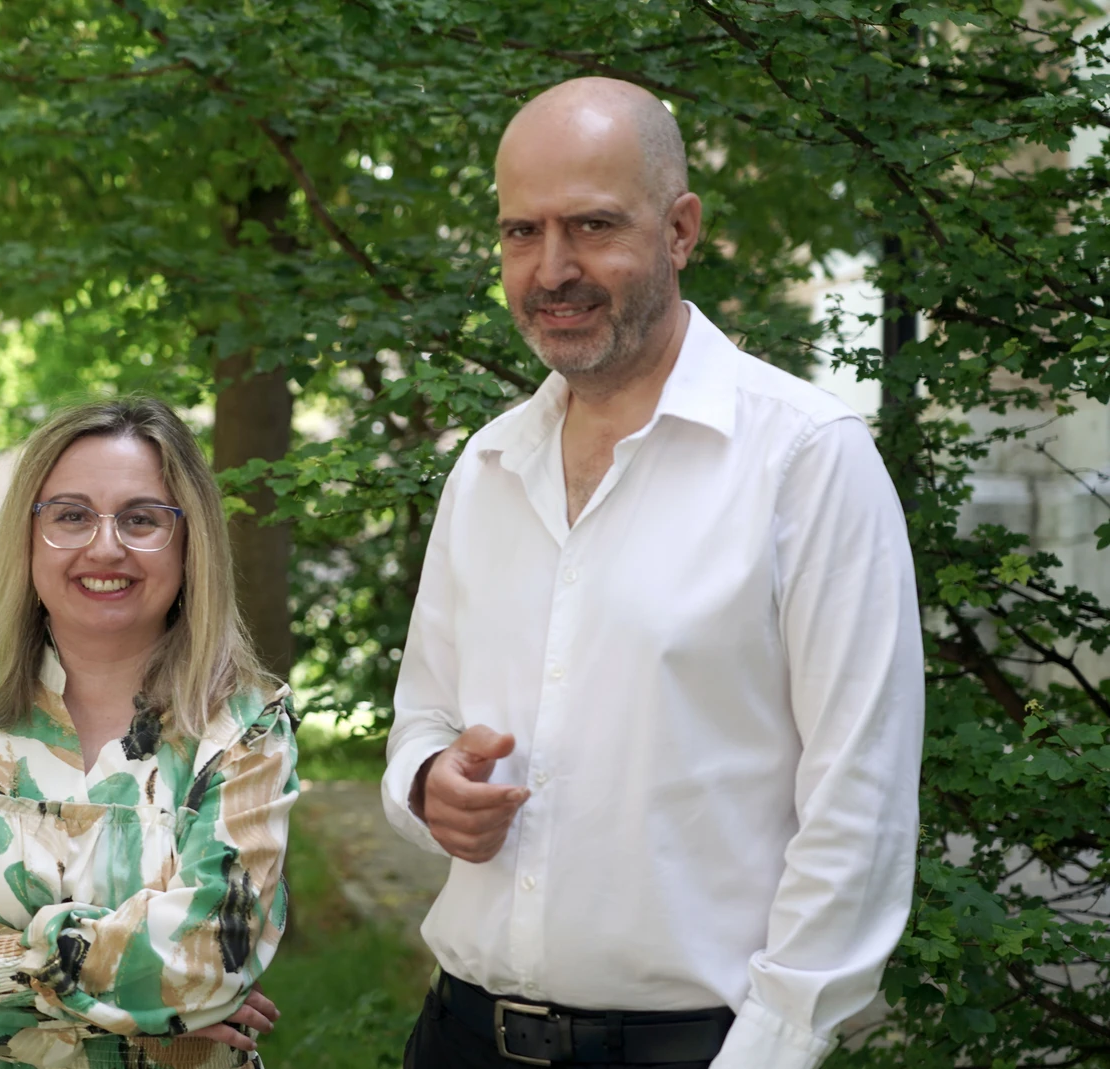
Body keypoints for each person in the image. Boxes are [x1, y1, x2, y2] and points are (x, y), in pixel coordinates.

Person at [382, 77, 925, 1069]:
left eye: (592, 226)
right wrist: (428, 784)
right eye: (521, 232)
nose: (552, 269)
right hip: (460, 1035)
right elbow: (422, 716)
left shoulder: (806, 460)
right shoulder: (487, 466)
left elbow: (860, 808)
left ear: (680, 230)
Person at [0, 398, 298, 1068]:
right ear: (27, 536)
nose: (105, 547)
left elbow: (211, 958)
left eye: (141, 519)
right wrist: (159, 1004)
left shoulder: (245, 727)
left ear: (190, 544)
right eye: (71, 515)